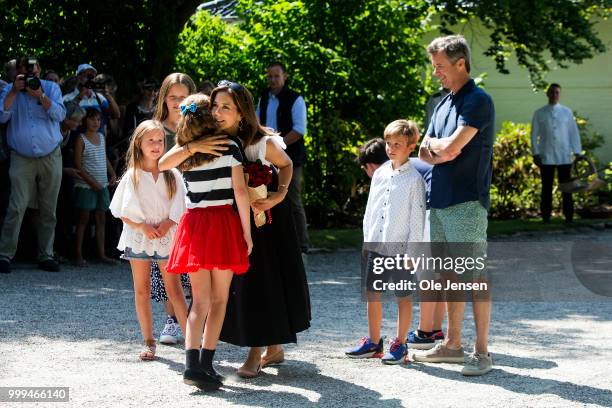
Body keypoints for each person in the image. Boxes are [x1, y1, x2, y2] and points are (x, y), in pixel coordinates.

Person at [214, 80, 311, 378]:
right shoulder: (211, 139)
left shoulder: (261, 141)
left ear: (242, 112)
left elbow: (287, 165)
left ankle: (256, 351)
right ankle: (274, 347)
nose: (218, 112)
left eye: (225, 107)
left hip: (262, 222)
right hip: (227, 219)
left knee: (259, 281)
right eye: (215, 106)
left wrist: (279, 195)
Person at [159, 93, 252, 391]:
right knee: (219, 299)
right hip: (222, 223)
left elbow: (161, 164)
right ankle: (207, 362)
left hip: (195, 225)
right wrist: (247, 232)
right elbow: (240, 192)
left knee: (199, 301)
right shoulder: (229, 146)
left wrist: (190, 146)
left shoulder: (185, 153)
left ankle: (191, 365)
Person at [415, 35, 495, 376]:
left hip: (467, 201)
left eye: (440, 66)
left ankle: (482, 353)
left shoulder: (478, 100)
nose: (436, 73)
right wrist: (439, 147)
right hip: (440, 200)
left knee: (472, 277)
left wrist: (440, 148)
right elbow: (424, 151)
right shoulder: (442, 104)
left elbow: (449, 149)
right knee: (448, 276)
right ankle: (452, 345)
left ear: (460, 63)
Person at [345, 120, 425, 364]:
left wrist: (413, 252)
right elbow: (371, 209)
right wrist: (367, 242)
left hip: (401, 249)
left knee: (403, 295)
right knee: (372, 292)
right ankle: (373, 341)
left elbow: (417, 218)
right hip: (377, 246)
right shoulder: (379, 173)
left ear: (410, 146)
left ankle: (400, 344)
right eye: (388, 143)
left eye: (397, 144)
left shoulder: (414, 180)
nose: (390, 148)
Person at [110, 119, 189, 361]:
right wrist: (141, 225)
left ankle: (192, 343)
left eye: (160, 140)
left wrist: (167, 223)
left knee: (174, 290)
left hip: (166, 236)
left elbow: (182, 205)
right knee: (141, 290)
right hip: (140, 237)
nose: (156, 145)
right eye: (150, 141)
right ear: (139, 144)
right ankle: (148, 341)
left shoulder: (172, 173)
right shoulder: (132, 176)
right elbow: (120, 209)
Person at [357, 138, 445, 350]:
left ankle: (425, 332)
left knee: (424, 273)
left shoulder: (404, 172)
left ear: (370, 166)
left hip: (429, 209)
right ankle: (435, 328)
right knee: (434, 273)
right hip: (443, 205)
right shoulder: (401, 165)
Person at [0, 57, 66, 274]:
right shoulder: (10, 89)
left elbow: (60, 114)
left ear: (39, 70)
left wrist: (41, 96)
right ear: (17, 72)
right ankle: (5, 255)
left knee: (49, 209)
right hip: (21, 157)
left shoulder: (51, 87)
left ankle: (46, 255)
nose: (31, 74)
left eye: (34, 69)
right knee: (16, 207)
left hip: (50, 156)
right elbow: (1, 117)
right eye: (26, 70)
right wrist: (12, 92)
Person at [256, 62, 309, 254]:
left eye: (276, 76)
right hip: (264, 158)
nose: (272, 80)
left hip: (290, 159)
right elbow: (257, 124)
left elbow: (299, 130)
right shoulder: (263, 97)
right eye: (269, 76)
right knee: (265, 197)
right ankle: (276, 242)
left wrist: (277, 145)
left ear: (285, 76)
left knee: (292, 198)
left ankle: (302, 244)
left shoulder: (296, 99)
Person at [531, 83, 582, 223]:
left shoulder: (567, 112)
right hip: (546, 156)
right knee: (546, 188)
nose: (554, 95)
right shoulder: (539, 113)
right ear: (547, 94)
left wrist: (577, 151)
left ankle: (569, 216)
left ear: (559, 94)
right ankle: (546, 216)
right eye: (552, 92)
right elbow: (533, 135)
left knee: (567, 187)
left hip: (564, 156)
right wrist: (535, 153)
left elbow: (573, 133)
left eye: (557, 92)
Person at [73, 108, 117, 265]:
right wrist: (92, 183)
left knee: (101, 219)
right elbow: (78, 165)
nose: (95, 122)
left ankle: (102, 254)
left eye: (98, 120)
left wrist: (112, 173)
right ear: (85, 121)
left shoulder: (101, 136)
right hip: (86, 185)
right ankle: (78, 255)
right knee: (83, 219)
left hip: (102, 185)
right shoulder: (81, 139)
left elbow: (103, 157)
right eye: (92, 119)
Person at [63, 64, 120, 133]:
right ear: (78, 77)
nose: (90, 78)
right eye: (87, 75)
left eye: (92, 76)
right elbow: (63, 122)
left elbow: (116, 115)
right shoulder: (67, 98)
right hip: (75, 142)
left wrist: (108, 95)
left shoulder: (99, 98)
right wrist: (81, 94)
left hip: (99, 142)